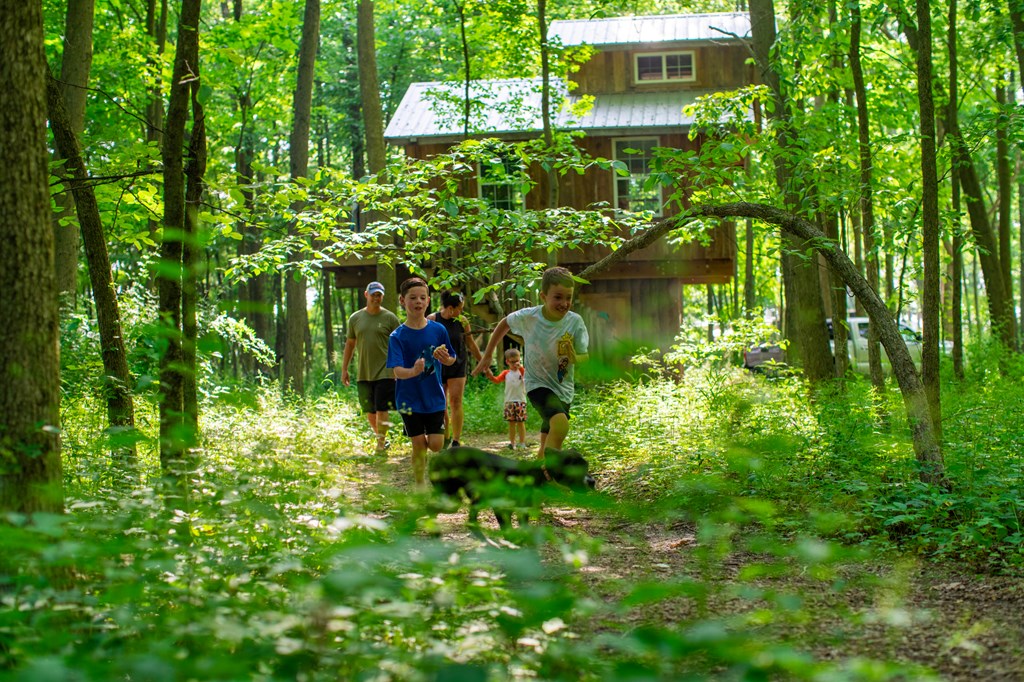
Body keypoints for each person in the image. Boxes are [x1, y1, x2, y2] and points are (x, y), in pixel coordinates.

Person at [473, 266, 589, 458]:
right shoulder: (529, 317)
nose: (564, 303)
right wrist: (487, 355)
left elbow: (584, 356)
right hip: (537, 384)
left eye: (568, 297)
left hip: (563, 387)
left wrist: (574, 357)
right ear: (543, 297)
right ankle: (551, 473)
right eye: (558, 297)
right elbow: (505, 323)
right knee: (560, 425)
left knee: (549, 430)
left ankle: (540, 467)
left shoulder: (575, 322)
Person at [387, 277, 457, 488]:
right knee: (418, 444)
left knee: (436, 445)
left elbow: (452, 356)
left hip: (434, 397)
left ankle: (429, 461)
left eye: (422, 298)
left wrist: (447, 359)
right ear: (402, 300)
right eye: (412, 298)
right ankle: (420, 485)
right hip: (408, 399)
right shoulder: (397, 336)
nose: (418, 301)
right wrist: (414, 370)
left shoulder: (438, 330)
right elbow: (397, 370)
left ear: (428, 302)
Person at [341, 281, 400, 454]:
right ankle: (381, 438)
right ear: (366, 295)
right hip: (364, 371)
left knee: (382, 408)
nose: (376, 297)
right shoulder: (355, 318)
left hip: (386, 370)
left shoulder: (390, 318)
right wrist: (344, 368)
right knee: (370, 410)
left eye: (379, 295)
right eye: (373, 294)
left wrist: (399, 367)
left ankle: (380, 445)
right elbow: (350, 344)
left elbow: (399, 344)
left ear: (382, 296)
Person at [427, 290, 484, 448]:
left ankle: (456, 440)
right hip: (438, 366)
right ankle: (444, 436)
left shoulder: (462, 321)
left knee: (456, 401)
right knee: (441, 402)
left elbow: (471, 344)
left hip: (458, 364)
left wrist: (483, 362)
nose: (461, 311)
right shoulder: (432, 319)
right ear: (450, 308)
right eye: (460, 308)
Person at [487, 347, 527, 450]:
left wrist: (521, 367)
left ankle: (522, 443)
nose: (515, 364)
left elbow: (527, 376)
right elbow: (496, 380)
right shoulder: (506, 373)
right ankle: (512, 443)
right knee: (511, 423)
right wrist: (490, 375)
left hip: (520, 400)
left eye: (517, 361)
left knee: (521, 423)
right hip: (509, 401)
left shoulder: (522, 371)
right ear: (507, 362)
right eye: (512, 362)